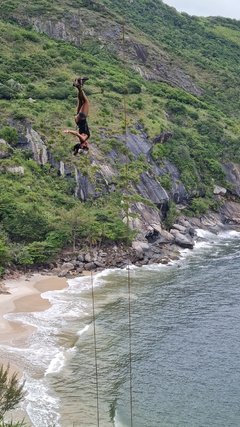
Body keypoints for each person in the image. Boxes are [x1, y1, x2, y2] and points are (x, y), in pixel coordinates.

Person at [63, 77, 90, 155]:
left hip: (81, 118)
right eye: (87, 147)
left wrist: (68, 131)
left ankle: (79, 86)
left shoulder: (83, 139)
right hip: (78, 120)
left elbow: (77, 133)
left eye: (85, 147)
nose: (87, 145)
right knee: (81, 101)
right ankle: (79, 85)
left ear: (81, 145)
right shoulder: (82, 140)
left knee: (86, 102)